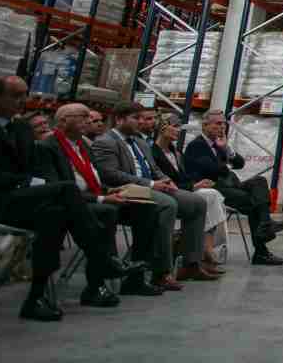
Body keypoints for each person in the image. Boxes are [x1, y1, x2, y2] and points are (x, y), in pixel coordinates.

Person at [0, 76, 138, 321]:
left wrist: (31, 181)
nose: (23, 101)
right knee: (65, 189)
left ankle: (36, 298)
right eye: (16, 95)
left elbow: (33, 166)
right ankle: (102, 258)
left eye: (25, 94)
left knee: (55, 215)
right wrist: (24, 181)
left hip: (22, 200)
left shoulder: (21, 128)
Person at [34, 103, 161, 297]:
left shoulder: (84, 145)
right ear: (63, 121)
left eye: (89, 117)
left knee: (146, 208)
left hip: (95, 195)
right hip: (71, 203)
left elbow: (95, 179)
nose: (89, 121)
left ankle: (136, 277)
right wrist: (102, 198)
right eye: (83, 117)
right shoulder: (48, 147)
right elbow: (57, 188)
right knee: (106, 212)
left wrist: (112, 190)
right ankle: (98, 279)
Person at [92, 101, 217, 289]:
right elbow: (110, 174)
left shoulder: (140, 142)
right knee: (168, 205)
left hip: (150, 187)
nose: (141, 122)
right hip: (126, 188)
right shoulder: (105, 142)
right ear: (119, 119)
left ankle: (191, 264)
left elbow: (154, 168)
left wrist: (166, 181)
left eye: (143, 118)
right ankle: (162, 271)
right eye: (136, 118)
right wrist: (151, 184)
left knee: (196, 202)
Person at [183, 110, 283, 265]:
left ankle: (265, 223)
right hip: (214, 189)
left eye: (223, 123)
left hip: (230, 184)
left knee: (259, 181)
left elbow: (240, 164)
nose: (222, 127)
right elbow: (216, 170)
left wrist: (227, 150)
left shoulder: (218, 145)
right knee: (254, 203)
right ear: (205, 125)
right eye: (218, 123)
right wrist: (223, 156)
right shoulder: (197, 145)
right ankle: (261, 249)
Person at [151, 113, 227, 272]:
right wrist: (193, 187)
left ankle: (204, 251)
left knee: (211, 195)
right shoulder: (153, 151)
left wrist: (195, 185)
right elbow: (164, 179)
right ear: (162, 127)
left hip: (182, 190)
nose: (178, 130)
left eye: (179, 127)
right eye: (175, 126)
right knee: (210, 196)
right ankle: (206, 251)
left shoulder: (175, 152)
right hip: (167, 191)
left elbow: (183, 178)